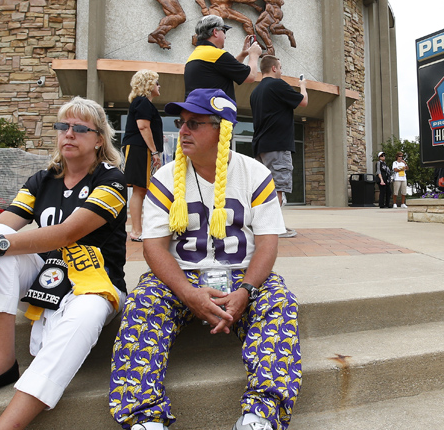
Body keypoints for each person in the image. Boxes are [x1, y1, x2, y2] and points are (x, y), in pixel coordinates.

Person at [110, 88, 301, 430]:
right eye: (181, 123)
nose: (182, 131)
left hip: (241, 275)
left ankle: (261, 415)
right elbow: (153, 246)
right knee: (142, 303)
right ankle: (144, 418)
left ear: (222, 130)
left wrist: (245, 290)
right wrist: (187, 292)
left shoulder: (255, 175)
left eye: (194, 124)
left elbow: (268, 244)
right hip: (181, 277)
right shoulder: (166, 178)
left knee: (279, 301)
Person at [0, 97, 128, 429]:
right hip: (48, 276)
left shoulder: (111, 180)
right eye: (63, 127)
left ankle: (9, 423)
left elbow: (66, 234)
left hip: (96, 284)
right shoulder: (43, 180)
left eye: (80, 128)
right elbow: (3, 224)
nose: (68, 134)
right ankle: (0, 363)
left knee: (85, 314)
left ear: (99, 139)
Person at [250, 55, 307, 236]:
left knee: (262, 188)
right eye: (280, 67)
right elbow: (303, 102)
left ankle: (263, 226)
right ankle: (275, 229)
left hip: (261, 146)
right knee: (278, 187)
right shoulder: (277, 84)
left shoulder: (255, 92)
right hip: (278, 145)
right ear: (274, 68)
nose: (281, 71)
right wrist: (303, 87)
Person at [123, 70, 164, 241]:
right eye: (156, 82)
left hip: (139, 148)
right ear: (148, 85)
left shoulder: (142, 103)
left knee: (141, 189)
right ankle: (136, 231)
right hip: (140, 149)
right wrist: (154, 151)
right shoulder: (143, 102)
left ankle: (138, 230)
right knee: (140, 190)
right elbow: (143, 127)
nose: (159, 86)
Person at [185, 14, 262, 99]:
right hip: (213, 110)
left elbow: (228, 70)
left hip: (198, 108)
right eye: (224, 30)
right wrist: (254, 55)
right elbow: (250, 77)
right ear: (215, 32)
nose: (225, 36)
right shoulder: (217, 55)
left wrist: (243, 54)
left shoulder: (196, 54)